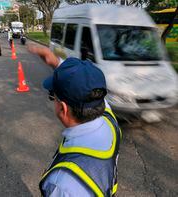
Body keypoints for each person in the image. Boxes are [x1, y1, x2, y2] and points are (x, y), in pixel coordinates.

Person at [28, 45, 122, 197]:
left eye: (53, 96)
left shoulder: (61, 185)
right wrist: (57, 63)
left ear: (63, 108)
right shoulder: (109, 120)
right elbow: (88, 86)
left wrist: (58, 63)